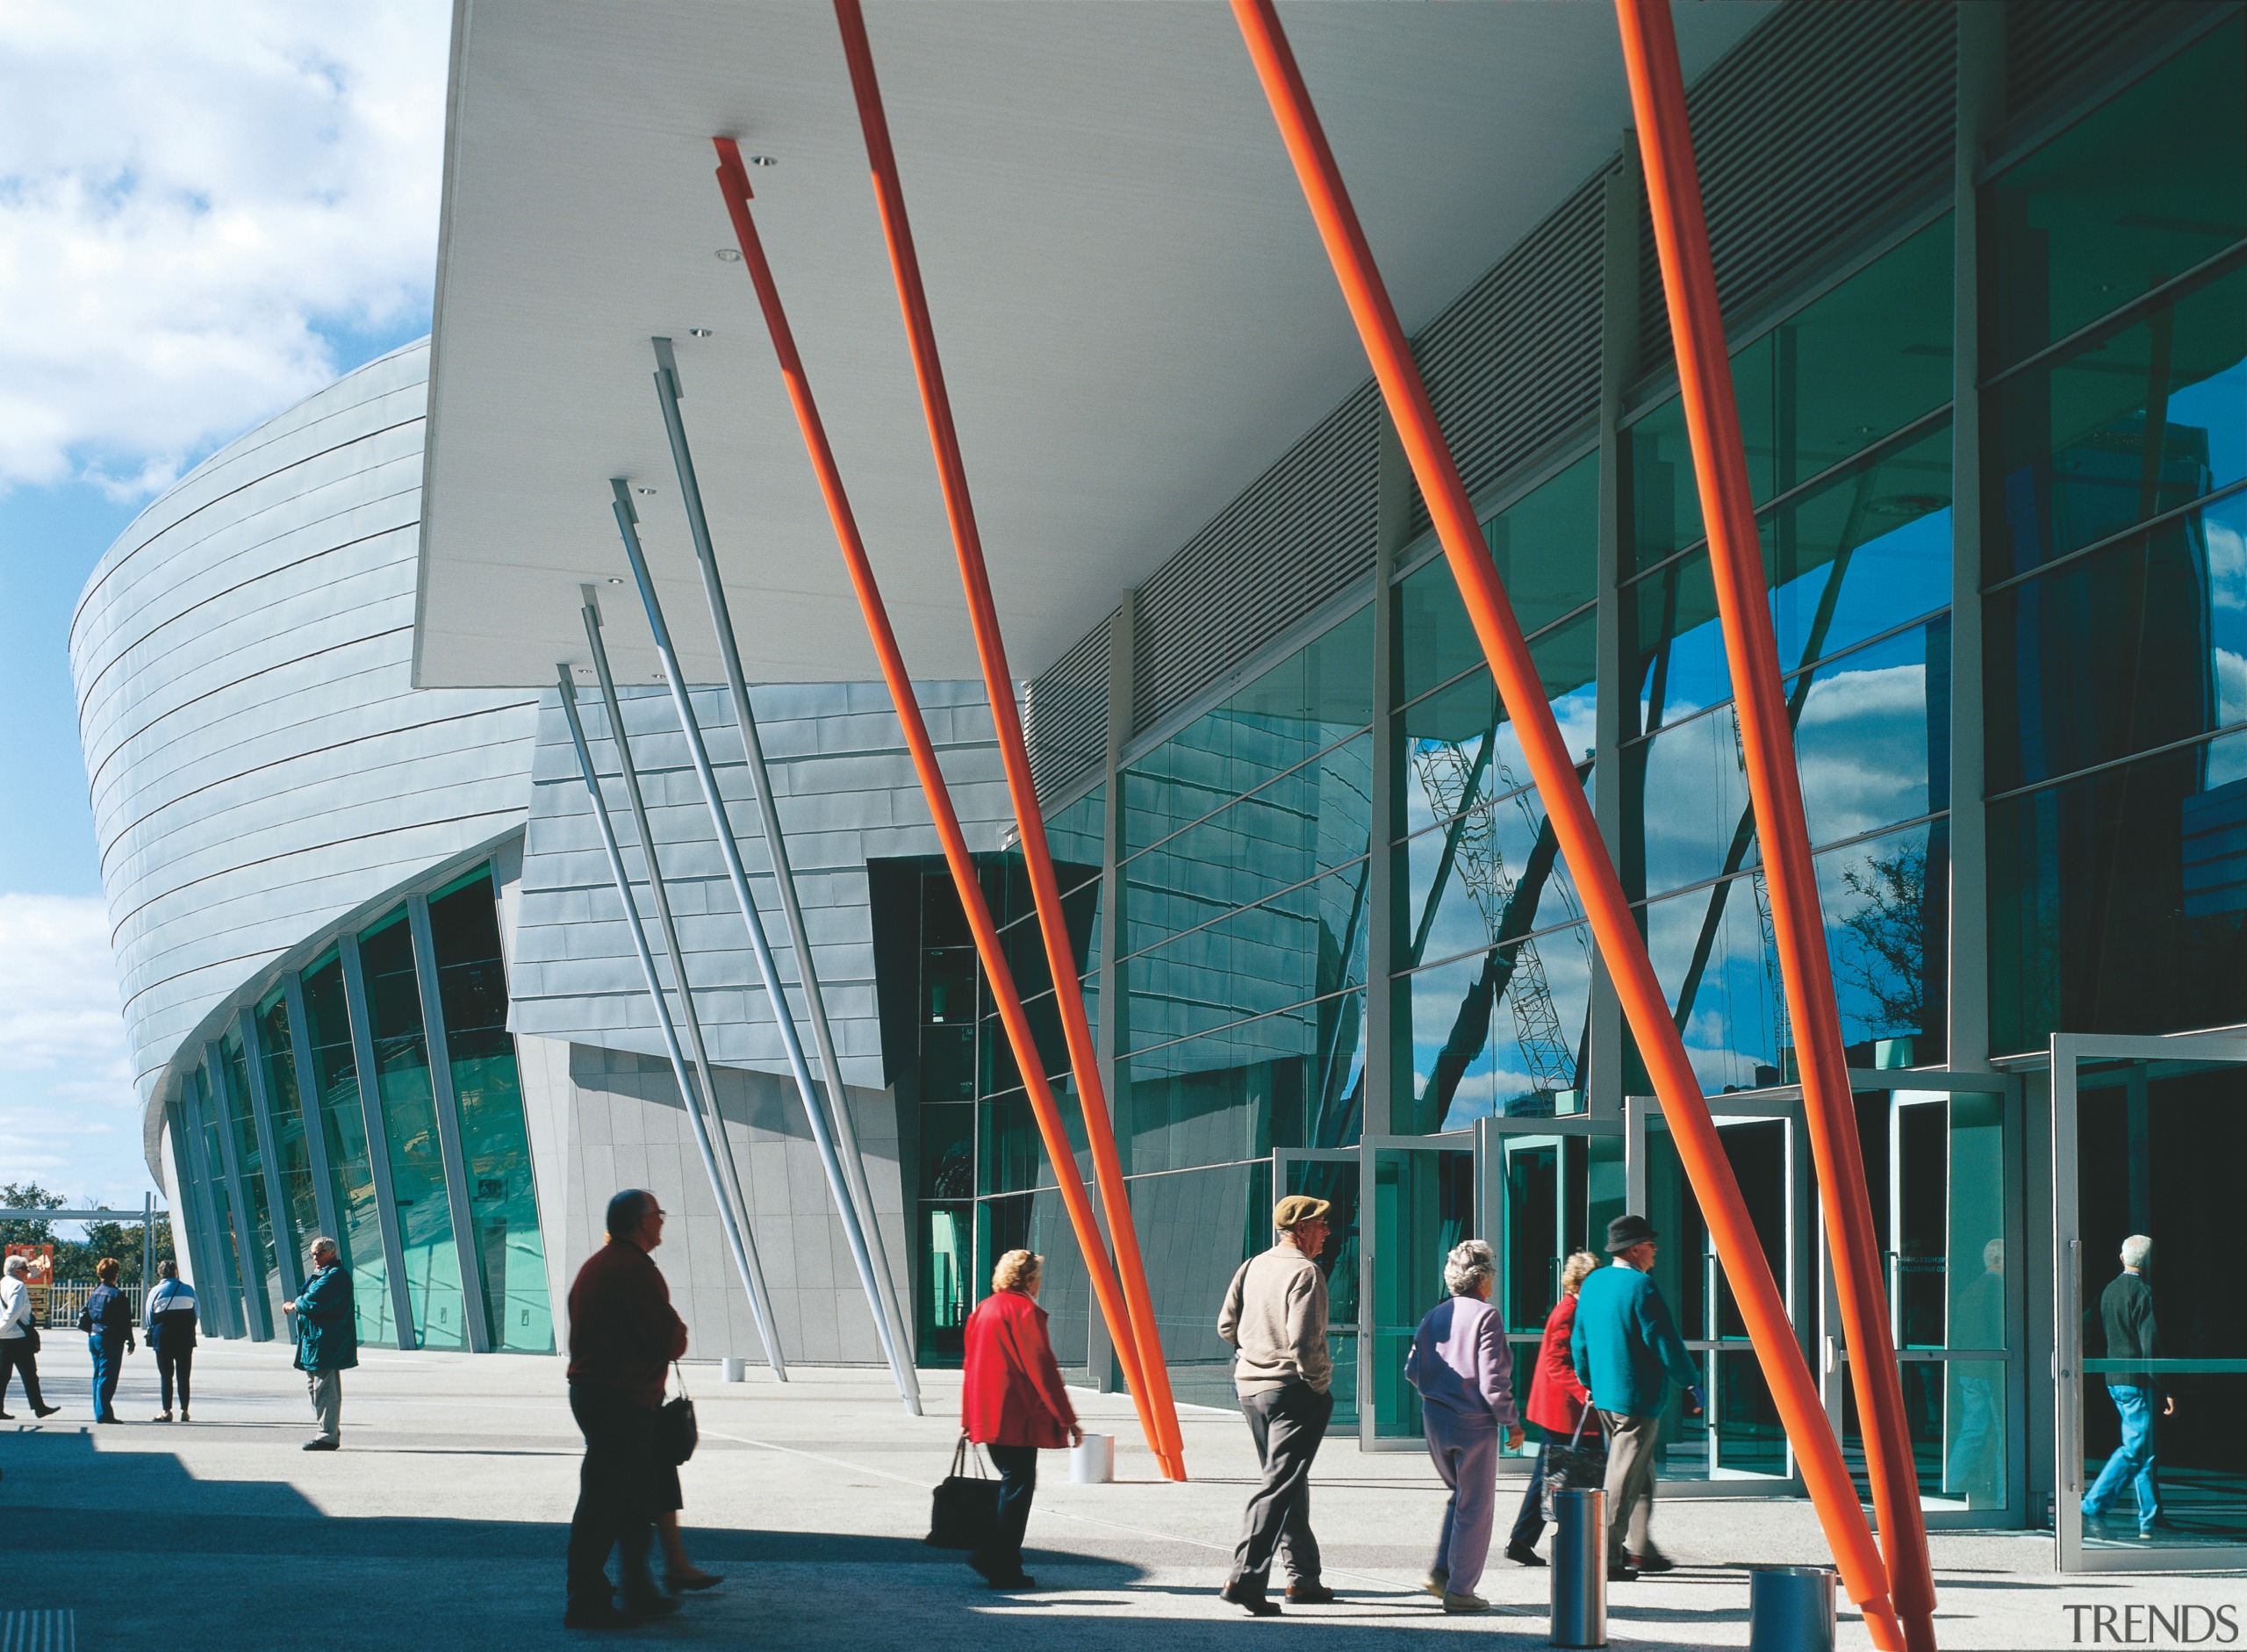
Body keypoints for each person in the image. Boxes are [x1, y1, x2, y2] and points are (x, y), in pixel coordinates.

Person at [564, 1189, 689, 1629]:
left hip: (598, 1393)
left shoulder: (597, 1266)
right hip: (622, 1398)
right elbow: (668, 1338)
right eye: (658, 1214)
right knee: (605, 1501)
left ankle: (636, 1591)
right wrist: (680, 1333)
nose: (662, 1221)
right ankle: (588, 1602)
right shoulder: (634, 1271)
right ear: (641, 1222)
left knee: (633, 1497)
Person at [1216, 1194, 1339, 1616]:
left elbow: (1226, 1325)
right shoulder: (1306, 1272)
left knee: (1287, 1479)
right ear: (1301, 1229)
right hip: (1291, 1390)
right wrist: (1319, 1384)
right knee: (1279, 1484)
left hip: (1251, 1389)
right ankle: (1246, 1578)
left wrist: (1253, 1354)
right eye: (1321, 1224)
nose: (1327, 1231)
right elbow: (1305, 1343)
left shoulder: (1253, 1265)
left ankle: (1302, 1577)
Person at [1571, 1214, 1702, 1581]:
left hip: (1608, 1399)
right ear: (1636, 1249)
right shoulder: (1641, 1287)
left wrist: (1588, 1381)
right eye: (1652, 1246)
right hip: (1636, 1400)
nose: (1656, 1252)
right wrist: (1691, 1381)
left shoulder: (1594, 1282)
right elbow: (1665, 1343)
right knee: (1625, 1479)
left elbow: (1579, 1340)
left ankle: (1642, 1549)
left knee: (1640, 1474)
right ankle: (1607, 1558)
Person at [1404, 1239, 1525, 1614]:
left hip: (1435, 1420)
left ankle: (1442, 1571)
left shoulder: (1434, 1315)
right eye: (1492, 1273)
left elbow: (1411, 1369)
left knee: (1460, 1498)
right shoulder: (1486, 1316)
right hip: (1472, 1424)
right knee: (1476, 1507)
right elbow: (1492, 1381)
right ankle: (1460, 1590)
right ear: (1483, 1277)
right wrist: (1512, 1422)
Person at [960, 1248, 1082, 1591]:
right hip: (1017, 1418)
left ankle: (997, 1558)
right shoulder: (1026, 1311)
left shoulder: (984, 1309)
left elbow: (970, 1368)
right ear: (1029, 1280)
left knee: (1010, 1485)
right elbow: (1043, 1369)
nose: (1039, 1284)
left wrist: (968, 1416)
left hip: (988, 1416)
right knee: (1017, 1488)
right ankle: (1001, 1564)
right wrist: (1069, 1419)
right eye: (1038, 1278)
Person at [1505, 1249, 1601, 1567]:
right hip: (1565, 1411)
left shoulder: (1575, 1308)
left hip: (1567, 1411)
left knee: (1553, 1477)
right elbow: (1555, 1362)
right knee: (1562, 1476)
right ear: (1577, 1282)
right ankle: (1576, 1541)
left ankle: (1525, 1540)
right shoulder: (1568, 1311)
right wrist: (1583, 1390)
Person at [2082, 1234, 2172, 1538]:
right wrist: (2167, 1386)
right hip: (2138, 1383)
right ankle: (2093, 1506)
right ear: (2151, 1262)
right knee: (2135, 1448)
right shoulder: (2143, 1293)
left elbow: (2086, 1326)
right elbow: (2151, 1347)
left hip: (2114, 1380)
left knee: (2144, 1448)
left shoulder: (2108, 1291)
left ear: (2123, 1259)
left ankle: (2150, 1518)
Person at [284, 1236, 356, 1450]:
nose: (315, 1258)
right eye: (313, 1254)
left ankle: (327, 1434)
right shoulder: (322, 1275)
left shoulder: (335, 1276)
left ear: (332, 1253)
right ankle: (327, 1430)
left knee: (325, 1389)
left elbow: (312, 1302)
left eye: (320, 1253)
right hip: (315, 1341)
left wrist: (294, 1304)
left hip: (326, 1341)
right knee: (315, 1389)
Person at [0, 1254, 61, 1419]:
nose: (28, 1273)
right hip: (18, 1337)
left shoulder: (2, 1283)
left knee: (2, 1375)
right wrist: (3, 1328)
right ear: (17, 1271)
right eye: (26, 1270)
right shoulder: (18, 1286)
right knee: (29, 1375)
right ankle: (39, 1407)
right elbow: (14, 1311)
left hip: (3, 1339)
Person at [78, 1256, 135, 1423]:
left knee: (97, 1375)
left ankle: (99, 1410)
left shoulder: (95, 1293)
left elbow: (87, 1316)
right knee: (108, 1376)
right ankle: (104, 1413)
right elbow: (125, 1321)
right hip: (110, 1339)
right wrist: (130, 1340)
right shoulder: (117, 1295)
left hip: (94, 1336)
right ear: (115, 1274)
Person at [144, 1260, 198, 1422]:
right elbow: (196, 1314)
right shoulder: (188, 1290)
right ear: (176, 1272)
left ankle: (166, 1411)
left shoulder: (155, 1291)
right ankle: (185, 1411)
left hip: (163, 1338)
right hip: (185, 1337)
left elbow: (149, 1317)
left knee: (166, 1375)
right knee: (184, 1375)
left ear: (160, 1274)